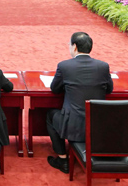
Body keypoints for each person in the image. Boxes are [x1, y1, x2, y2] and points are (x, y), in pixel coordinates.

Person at [46, 32, 113, 174]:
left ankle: (62, 159)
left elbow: (55, 89)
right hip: (97, 125)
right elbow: (109, 89)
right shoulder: (103, 66)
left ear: (75, 47)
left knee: (51, 115)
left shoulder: (64, 66)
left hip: (72, 126)